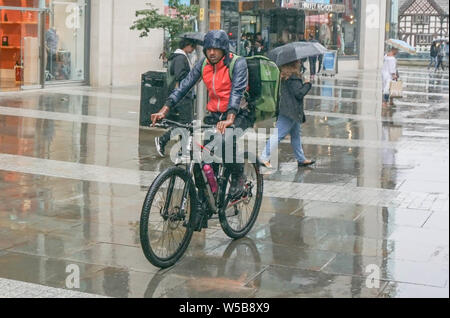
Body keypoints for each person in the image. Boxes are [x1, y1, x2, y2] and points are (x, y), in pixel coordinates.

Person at [151, 30, 252, 200]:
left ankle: (238, 177)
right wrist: (165, 108)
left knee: (227, 139)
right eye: (208, 49)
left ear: (224, 50)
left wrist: (230, 117)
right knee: (204, 161)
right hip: (214, 114)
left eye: (216, 49)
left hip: (240, 112)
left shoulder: (237, 63)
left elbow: (237, 92)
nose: (212, 52)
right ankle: (208, 199)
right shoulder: (204, 64)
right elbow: (184, 86)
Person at [260, 59, 316, 169]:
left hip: (287, 110)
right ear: (294, 65)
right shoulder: (294, 78)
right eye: (298, 62)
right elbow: (299, 94)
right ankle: (264, 156)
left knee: (296, 136)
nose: (300, 63)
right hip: (291, 112)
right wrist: (307, 84)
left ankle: (301, 159)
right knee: (278, 135)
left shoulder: (284, 76)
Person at [155, 38, 197, 157]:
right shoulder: (180, 57)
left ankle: (183, 150)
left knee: (185, 124)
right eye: (192, 47)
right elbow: (180, 75)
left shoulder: (177, 56)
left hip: (180, 95)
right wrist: (192, 75)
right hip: (183, 95)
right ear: (187, 45)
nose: (193, 49)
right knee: (185, 124)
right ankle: (163, 139)